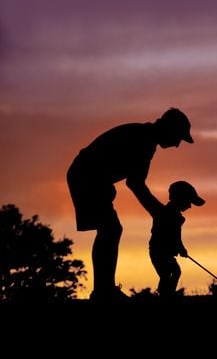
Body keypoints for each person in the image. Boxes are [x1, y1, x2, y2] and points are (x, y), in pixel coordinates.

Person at [67, 108, 195, 302]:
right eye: (178, 137)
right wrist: (159, 212)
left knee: (110, 229)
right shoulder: (143, 141)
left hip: (92, 177)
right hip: (86, 176)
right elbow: (135, 184)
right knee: (110, 228)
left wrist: (158, 212)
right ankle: (104, 291)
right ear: (170, 129)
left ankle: (104, 289)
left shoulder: (146, 141)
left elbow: (135, 182)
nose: (178, 144)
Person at [149, 181, 205, 297]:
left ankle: (166, 293)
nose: (190, 206)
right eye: (189, 202)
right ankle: (166, 294)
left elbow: (175, 237)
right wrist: (181, 248)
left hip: (163, 253)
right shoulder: (171, 215)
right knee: (170, 272)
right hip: (159, 252)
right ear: (181, 199)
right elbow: (175, 236)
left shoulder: (174, 216)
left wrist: (180, 248)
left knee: (172, 272)